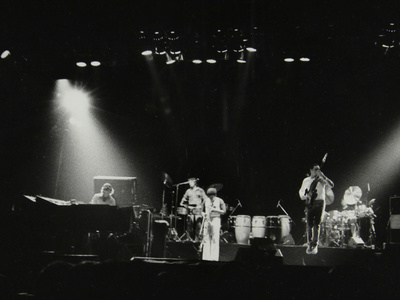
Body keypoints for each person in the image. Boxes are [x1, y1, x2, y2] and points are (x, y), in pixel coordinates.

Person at [299, 163, 334, 254]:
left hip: (319, 202)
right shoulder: (306, 180)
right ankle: (309, 243)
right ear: (311, 170)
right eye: (315, 169)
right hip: (310, 202)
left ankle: (315, 244)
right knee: (309, 223)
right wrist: (304, 196)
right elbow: (302, 190)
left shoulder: (321, 179)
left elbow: (331, 185)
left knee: (316, 224)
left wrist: (323, 176)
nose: (317, 171)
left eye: (318, 169)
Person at [201, 187, 226, 261]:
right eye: (209, 196)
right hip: (207, 220)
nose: (211, 198)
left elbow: (224, 211)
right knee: (206, 238)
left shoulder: (220, 200)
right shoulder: (205, 200)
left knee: (215, 238)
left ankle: (214, 259)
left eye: (212, 196)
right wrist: (203, 214)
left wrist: (215, 210)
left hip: (216, 220)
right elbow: (202, 211)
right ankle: (206, 258)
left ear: (215, 195)